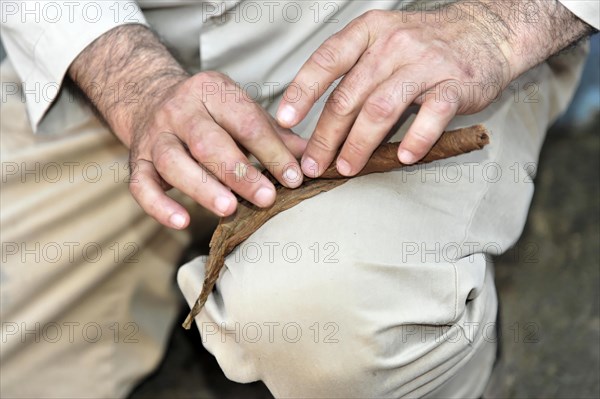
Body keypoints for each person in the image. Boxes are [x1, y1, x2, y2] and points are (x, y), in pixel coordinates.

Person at [0, 0, 597, 397]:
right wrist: (132, 83)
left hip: (405, 35)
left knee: (331, 322)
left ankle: (451, 368)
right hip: (123, 53)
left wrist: (507, 23)